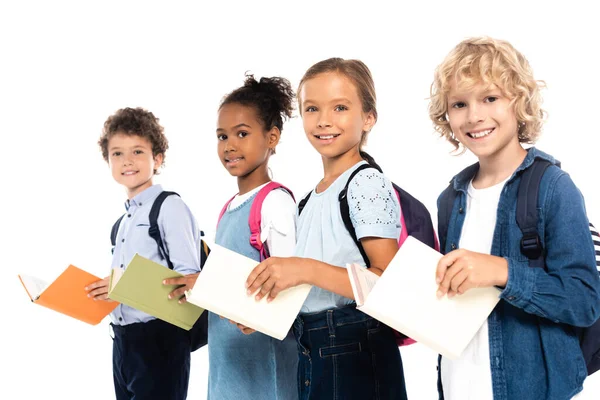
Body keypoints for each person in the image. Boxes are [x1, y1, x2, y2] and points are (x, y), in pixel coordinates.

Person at [429, 37, 600, 400]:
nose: (474, 116)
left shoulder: (553, 188)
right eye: (460, 104)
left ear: (519, 102)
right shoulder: (450, 200)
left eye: (490, 98)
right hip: (459, 386)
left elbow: (584, 300)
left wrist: (501, 272)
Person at [245, 58, 408, 400]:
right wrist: (266, 314)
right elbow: (313, 291)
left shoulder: (366, 183)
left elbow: (387, 285)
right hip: (313, 346)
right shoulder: (308, 200)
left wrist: (304, 269)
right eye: (312, 108)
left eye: (340, 107)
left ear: (368, 118)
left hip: (354, 348)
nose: (324, 121)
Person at [85, 107, 202, 400]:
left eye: (137, 151)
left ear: (157, 159)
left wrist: (124, 284)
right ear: (107, 160)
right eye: (117, 153)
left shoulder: (169, 207)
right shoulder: (121, 223)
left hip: (159, 339)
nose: (127, 161)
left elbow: (189, 282)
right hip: (123, 341)